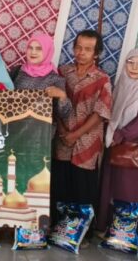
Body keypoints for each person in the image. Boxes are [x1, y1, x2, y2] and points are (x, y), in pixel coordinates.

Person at [96, 48, 138, 231]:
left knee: (130, 189)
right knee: (112, 187)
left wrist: (121, 134)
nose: (134, 67)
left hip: (133, 148)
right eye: (130, 62)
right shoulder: (120, 84)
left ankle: (128, 230)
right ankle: (108, 226)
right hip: (114, 145)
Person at [53, 30, 112, 211]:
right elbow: (53, 105)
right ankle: (61, 226)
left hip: (87, 142)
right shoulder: (63, 73)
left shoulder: (102, 79)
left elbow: (100, 113)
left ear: (96, 54)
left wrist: (75, 135)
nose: (81, 52)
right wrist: (63, 131)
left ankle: (82, 227)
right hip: (62, 140)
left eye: (87, 49)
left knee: (83, 189)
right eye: (78, 47)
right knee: (60, 187)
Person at [13, 34, 71, 122]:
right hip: (14, 124)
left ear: (48, 51)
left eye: (39, 49)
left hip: (38, 128)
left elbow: (64, 114)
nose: (33, 52)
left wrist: (62, 96)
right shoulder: (17, 71)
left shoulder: (55, 79)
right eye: (30, 48)